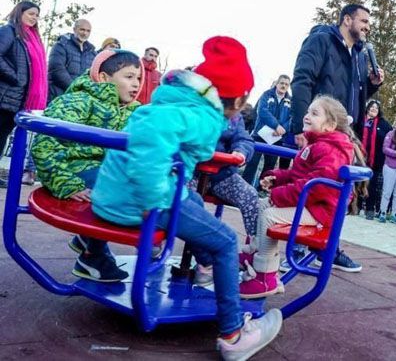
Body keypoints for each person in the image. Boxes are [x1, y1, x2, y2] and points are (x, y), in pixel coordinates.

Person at [90, 36, 282, 359]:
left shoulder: (180, 99)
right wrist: (155, 198)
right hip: (141, 199)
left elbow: (152, 127)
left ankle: (207, 266)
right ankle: (233, 334)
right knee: (226, 240)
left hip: (119, 191)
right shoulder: (203, 115)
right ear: (236, 98)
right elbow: (150, 131)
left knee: (194, 203)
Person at [289, 3, 384, 272]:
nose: (367, 26)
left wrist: (373, 85)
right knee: (306, 183)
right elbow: (303, 80)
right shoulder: (321, 41)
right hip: (317, 130)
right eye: (363, 20)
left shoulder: (359, 55)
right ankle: (293, 244)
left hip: (343, 133)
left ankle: (325, 246)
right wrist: (301, 126)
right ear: (346, 20)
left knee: (334, 193)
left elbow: (355, 96)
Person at [32, 50, 142, 281]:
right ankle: (92, 257)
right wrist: (66, 183)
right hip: (73, 170)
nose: (136, 84)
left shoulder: (133, 111)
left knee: (134, 184)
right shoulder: (78, 101)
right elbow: (45, 143)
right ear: (103, 78)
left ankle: (88, 238)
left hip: (104, 171)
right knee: (116, 189)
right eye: (129, 76)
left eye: (139, 78)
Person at [239, 96, 359, 298]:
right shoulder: (314, 144)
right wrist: (276, 178)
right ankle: (255, 253)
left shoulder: (331, 150)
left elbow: (316, 187)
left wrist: (280, 194)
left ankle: (265, 277)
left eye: (314, 113)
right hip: (312, 206)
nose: (307, 116)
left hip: (321, 213)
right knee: (261, 205)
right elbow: (298, 176)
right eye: (308, 111)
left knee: (269, 216)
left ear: (330, 125)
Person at [192, 110, 260, 287]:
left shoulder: (232, 115)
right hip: (191, 173)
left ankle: (255, 248)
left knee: (250, 195)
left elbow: (243, 138)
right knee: (187, 204)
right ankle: (204, 262)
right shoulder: (194, 108)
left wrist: (240, 152)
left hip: (220, 175)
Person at [0, 1, 47, 187]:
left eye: (37, 15)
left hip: (18, 98)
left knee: (2, 137)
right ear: (20, 12)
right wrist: (15, 77)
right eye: (31, 13)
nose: (34, 18)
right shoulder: (9, 31)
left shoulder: (30, 37)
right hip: (4, 94)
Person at [242, 75, 293, 185]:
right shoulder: (266, 95)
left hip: (277, 138)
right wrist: (276, 126)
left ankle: (262, 189)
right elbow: (262, 112)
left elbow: (292, 118)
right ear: (277, 84)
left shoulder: (290, 101)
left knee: (269, 167)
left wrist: (283, 128)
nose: (283, 86)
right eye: (282, 83)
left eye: (286, 84)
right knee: (252, 163)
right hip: (259, 136)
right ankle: (244, 187)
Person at [48, 18, 96, 101]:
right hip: (58, 95)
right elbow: (56, 69)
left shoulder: (92, 52)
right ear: (74, 29)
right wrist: (74, 88)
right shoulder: (61, 45)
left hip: (79, 99)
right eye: (82, 29)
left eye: (88, 31)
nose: (85, 33)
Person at [361, 100, 393, 219]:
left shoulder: (383, 124)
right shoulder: (361, 120)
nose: (374, 109)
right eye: (372, 107)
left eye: (376, 108)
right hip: (360, 159)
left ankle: (370, 209)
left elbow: (392, 137)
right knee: (357, 183)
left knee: (372, 185)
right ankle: (355, 206)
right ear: (368, 108)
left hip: (375, 161)